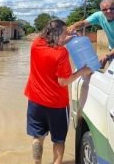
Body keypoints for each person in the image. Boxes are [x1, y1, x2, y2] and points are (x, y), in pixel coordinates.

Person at [24, 19, 92, 164]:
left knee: (38, 137)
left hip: (35, 101)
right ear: (58, 34)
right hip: (56, 105)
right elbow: (63, 81)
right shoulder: (61, 53)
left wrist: (69, 35)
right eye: (64, 32)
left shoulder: (36, 43)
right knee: (59, 140)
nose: (65, 35)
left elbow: (57, 41)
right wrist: (83, 71)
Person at [67, 0, 114, 67]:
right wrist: (73, 27)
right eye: (105, 10)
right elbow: (83, 23)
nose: (109, 11)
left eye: (112, 8)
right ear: (101, 10)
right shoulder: (99, 15)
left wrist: (107, 56)